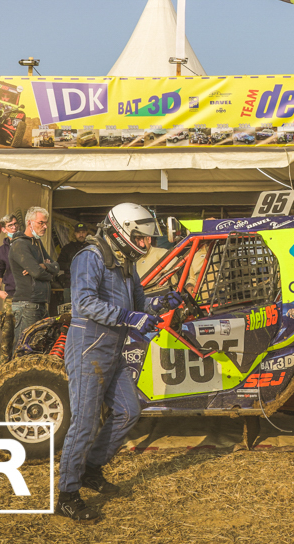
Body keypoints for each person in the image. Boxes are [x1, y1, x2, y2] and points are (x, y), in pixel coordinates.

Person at [56, 203, 182, 524]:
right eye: (141, 238)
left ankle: (91, 470)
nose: (146, 244)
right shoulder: (90, 257)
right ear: (121, 232)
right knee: (84, 424)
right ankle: (67, 496)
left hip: (112, 348)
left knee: (129, 411)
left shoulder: (125, 262)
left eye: (147, 238)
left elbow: (140, 304)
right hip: (88, 349)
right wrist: (129, 317)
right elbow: (84, 303)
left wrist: (163, 301)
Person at [9, 207, 63, 346]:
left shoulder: (37, 243)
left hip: (39, 303)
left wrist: (44, 266)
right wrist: (48, 273)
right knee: (24, 347)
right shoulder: (19, 244)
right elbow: (37, 273)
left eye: (46, 223)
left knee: (39, 345)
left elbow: (56, 266)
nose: (45, 226)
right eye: (41, 223)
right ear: (29, 223)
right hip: (27, 303)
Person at [0, 214, 19, 364]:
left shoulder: (26, 244)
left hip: (26, 295)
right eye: (10, 225)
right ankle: (4, 367)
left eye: (15, 224)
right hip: (10, 296)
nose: (14, 227)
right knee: (7, 334)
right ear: (4, 229)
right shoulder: (1, 251)